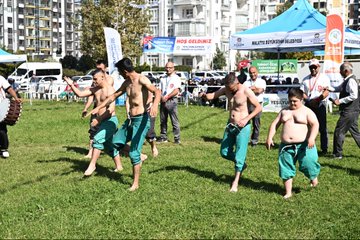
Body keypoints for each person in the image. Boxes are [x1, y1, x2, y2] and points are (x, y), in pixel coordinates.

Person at [88, 57, 161, 191]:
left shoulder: (141, 79)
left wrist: (155, 105)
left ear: (125, 71)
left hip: (141, 120)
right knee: (115, 143)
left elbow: (157, 91)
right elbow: (113, 96)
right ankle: (140, 157)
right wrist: (98, 108)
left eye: (120, 72)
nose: (120, 75)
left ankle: (135, 183)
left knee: (133, 153)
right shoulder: (127, 83)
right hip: (130, 120)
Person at [200, 72, 262, 192]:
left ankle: (235, 182)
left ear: (237, 83)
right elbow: (213, 95)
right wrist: (204, 95)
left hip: (243, 127)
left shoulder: (246, 91)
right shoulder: (226, 89)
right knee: (224, 152)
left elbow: (258, 107)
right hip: (230, 125)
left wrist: (246, 119)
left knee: (239, 154)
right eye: (227, 88)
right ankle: (241, 164)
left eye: (231, 88)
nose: (229, 90)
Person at [63, 69, 123, 176]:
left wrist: (98, 119)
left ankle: (92, 165)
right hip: (101, 122)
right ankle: (119, 166)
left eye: (95, 79)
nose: (94, 81)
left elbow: (111, 109)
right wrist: (72, 85)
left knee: (97, 140)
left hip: (110, 122)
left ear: (103, 77)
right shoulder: (95, 89)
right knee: (109, 145)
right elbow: (80, 94)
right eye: (93, 79)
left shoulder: (110, 90)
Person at [266, 88, 320, 199]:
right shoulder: (284, 111)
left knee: (308, 164)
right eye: (290, 101)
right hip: (286, 146)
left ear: (301, 99)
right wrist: (269, 138)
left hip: (304, 145)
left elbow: (315, 125)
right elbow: (274, 125)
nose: (292, 103)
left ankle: (313, 177)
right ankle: (288, 192)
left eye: (295, 101)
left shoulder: (307, 112)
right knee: (285, 168)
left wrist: (312, 138)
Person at [330, 62, 360, 159]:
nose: (339, 72)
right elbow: (340, 88)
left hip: (349, 111)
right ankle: (337, 153)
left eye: (341, 70)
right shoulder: (348, 80)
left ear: (346, 71)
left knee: (339, 131)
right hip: (353, 111)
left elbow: (353, 95)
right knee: (355, 133)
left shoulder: (351, 80)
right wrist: (329, 88)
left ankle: (337, 154)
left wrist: (340, 101)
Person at [301, 58, 331, 155]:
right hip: (309, 104)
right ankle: (305, 144)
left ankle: (324, 149)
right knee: (306, 126)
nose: (313, 69)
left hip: (320, 104)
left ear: (319, 66)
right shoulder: (305, 79)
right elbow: (302, 93)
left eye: (315, 67)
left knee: (322, 127)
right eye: (311, 67)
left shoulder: (324, 78)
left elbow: (326, 92)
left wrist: (317, 100)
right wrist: (309, 101)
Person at [157, 62, 181, 144]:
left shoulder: (176, 78)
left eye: (170, 67)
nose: (168, 69)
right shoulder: (163, 78)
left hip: (172, 100)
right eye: (167, 67)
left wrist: (167, 97)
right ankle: (163, 136)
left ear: (173, 68)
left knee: (174, 120)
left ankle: (177, 138)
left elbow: (176, 90)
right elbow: (159, 89)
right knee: (163, 120)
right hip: (163, 100)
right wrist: (161, 97)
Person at [243, 66, 266, 146]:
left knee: (256, 124)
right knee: (245, 123)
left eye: (254, 72)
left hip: (257, 105)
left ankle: (254, 141)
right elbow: (244, 92)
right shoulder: (246, 83)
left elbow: (259, 91)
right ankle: (243, 140)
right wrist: (254, 89)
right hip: (248, 104)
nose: (252, 74)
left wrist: (251, 89)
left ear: (257, 72)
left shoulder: (262, 81)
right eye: (251, 73)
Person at [0, 75, 22, 158]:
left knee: (1, 129)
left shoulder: (0, 78)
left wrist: (16, 97)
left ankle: (4, 149)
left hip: (0, 107)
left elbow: (9, 89)